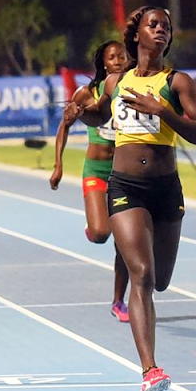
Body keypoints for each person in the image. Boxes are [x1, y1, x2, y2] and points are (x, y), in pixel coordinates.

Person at [71, 6, 196, 391]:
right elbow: (97, 116)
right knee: (143, 276)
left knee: (161, 281)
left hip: (166, 189)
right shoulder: (116, 81)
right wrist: (78, 112)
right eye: (154, 25)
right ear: (138, 35)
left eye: (166, 27)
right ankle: (150, 369)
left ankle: (149, 350)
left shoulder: (178, 82)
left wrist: (164, 112)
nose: (161, 31)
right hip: (125, 187)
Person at [50, 41, 130, 323]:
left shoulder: (131, 89)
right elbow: (64, 125)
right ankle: (94, 226)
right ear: (104, 64)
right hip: (96, 169)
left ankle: (119, 301)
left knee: (124, 242)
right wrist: (59, 165)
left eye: (122, 55)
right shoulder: (87, 93)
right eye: (113, 57)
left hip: (123, 173)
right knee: (100, 235)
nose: (119, 60)